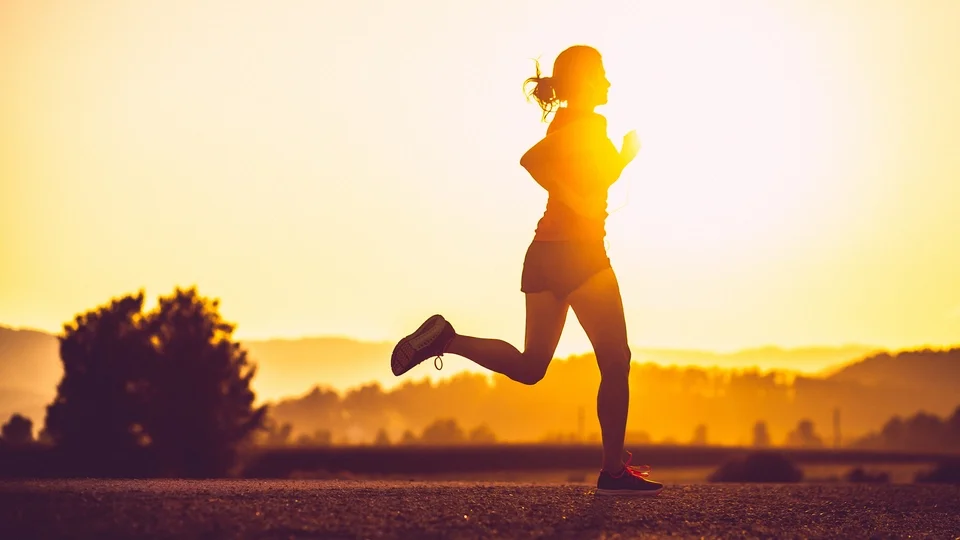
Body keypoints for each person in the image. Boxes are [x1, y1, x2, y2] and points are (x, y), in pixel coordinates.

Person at [390, 45, 662, 496]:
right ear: (585, 81)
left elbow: (591, 181)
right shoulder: (586, 123)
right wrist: (584, 190)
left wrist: (619, 162)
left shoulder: (572, 123)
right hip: (580, 254)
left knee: (532, 366)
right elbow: (533, 161)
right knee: (616, 362)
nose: (610, 82)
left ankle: (446, 340)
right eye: (603, 74)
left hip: (545, 254)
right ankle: (612, 471)